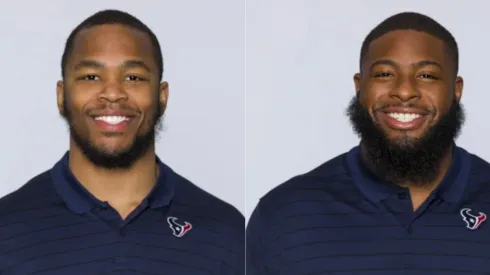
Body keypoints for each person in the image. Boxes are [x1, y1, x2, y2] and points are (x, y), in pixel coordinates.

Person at [0, 9, 244, 275]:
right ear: (62, 95)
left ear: (162, 96)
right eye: (91, 77)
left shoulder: (227, 231)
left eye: (133, 78)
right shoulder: (6, 228)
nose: (113, 93)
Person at [247, 12, 490, 275]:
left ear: (456, 90)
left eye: (427, 76)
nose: (405, 91)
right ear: (359, 85)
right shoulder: (284, 214)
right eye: (385, 73)